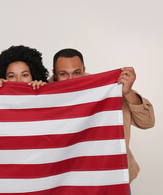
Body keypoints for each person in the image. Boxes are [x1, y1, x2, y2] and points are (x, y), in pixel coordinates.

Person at [52, 48, 155, 183]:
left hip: (112, 175)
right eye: (64, 74)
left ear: (83, 70)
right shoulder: (45, 93)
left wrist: (128, 93)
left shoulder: (107, 88)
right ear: (54, 74)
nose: (71, 80)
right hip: (66, 179)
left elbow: (147, 122)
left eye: (77, 73)